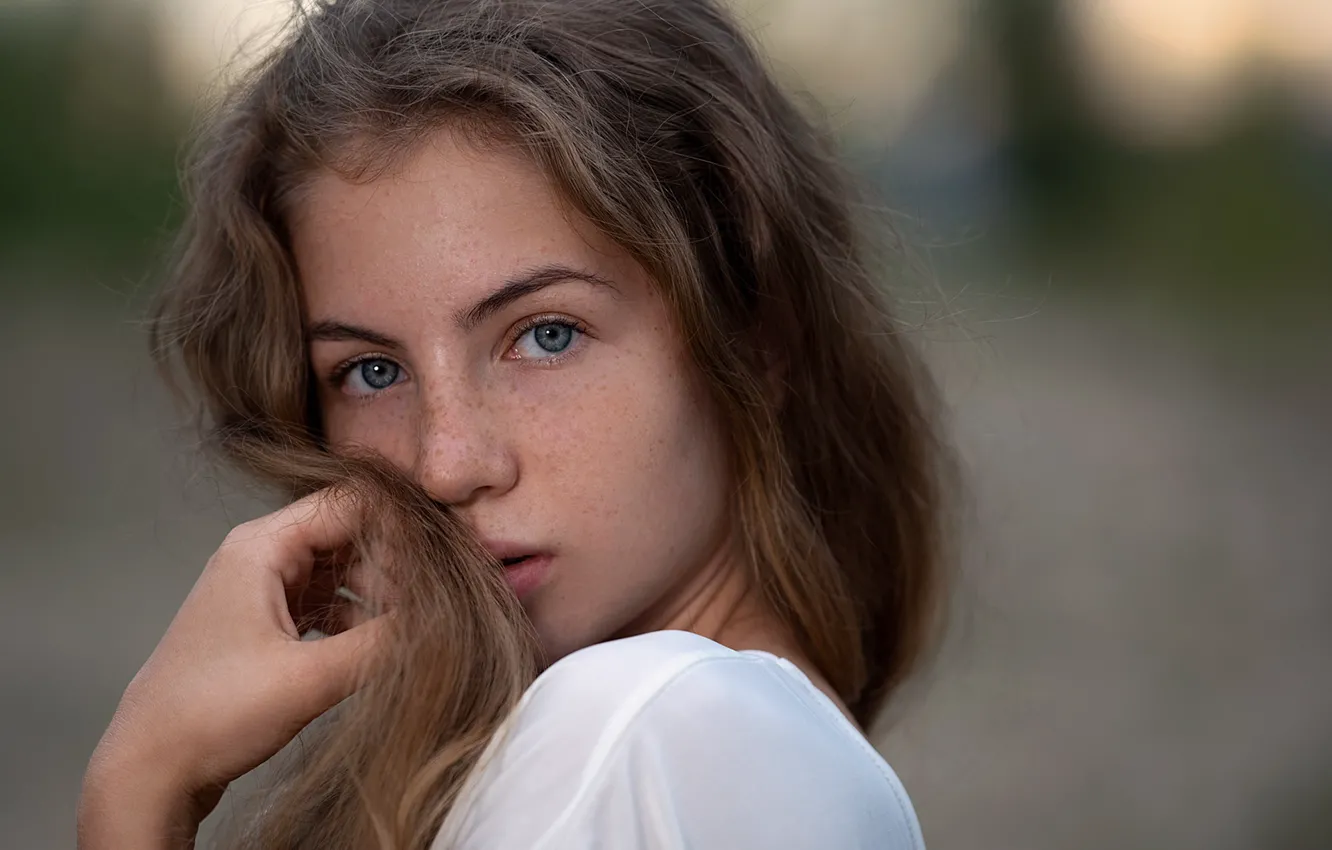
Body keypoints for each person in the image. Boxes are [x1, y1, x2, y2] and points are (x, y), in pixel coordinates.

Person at [77, 0, 950, 847]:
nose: (447, 464)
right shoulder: (750, 749)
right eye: (372, 373)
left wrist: (142, 791)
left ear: (756, 343)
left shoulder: (644, 729)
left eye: (545, 335)